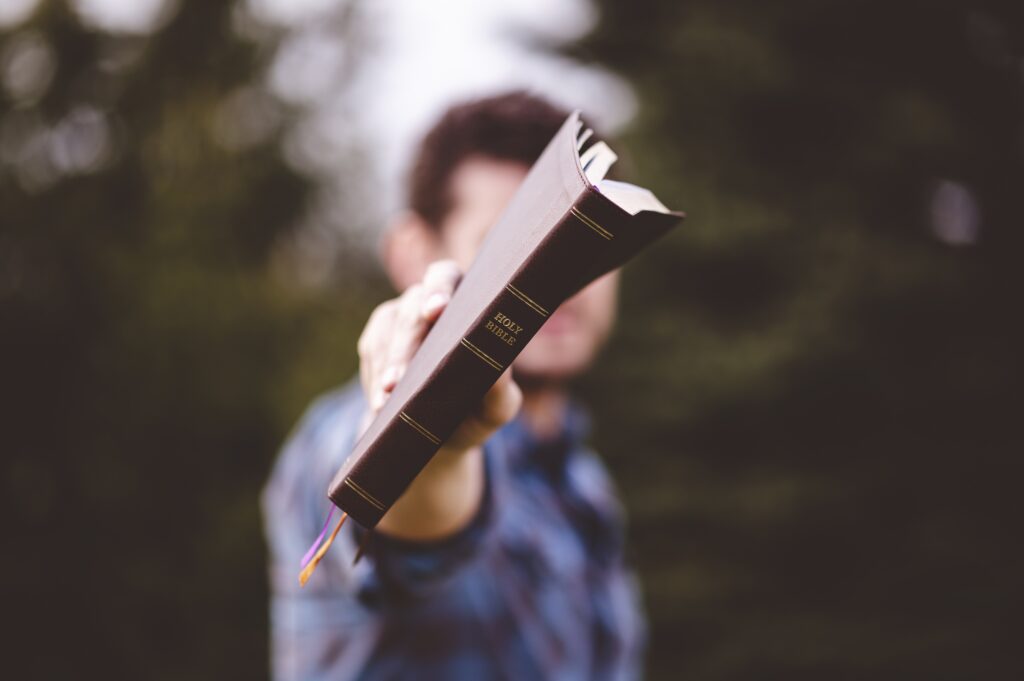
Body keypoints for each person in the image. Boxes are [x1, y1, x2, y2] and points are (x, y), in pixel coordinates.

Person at [261, 90, 646, 681]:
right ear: (414, 255)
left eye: (588, 244)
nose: (563, 278)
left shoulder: (586, 484)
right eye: (519, 241)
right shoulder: (330, 440)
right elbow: (406, 520)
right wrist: (432, 441)